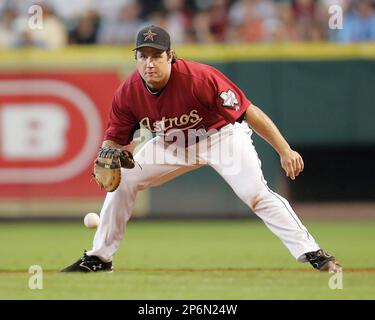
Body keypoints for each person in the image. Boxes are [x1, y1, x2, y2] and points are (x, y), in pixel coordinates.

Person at [62, 25, 341, 273]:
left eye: (156, 55)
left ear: (170, 56)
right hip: (171, 144)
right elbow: (114, 139)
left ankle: (312, 252)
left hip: (220, 138)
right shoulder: (128, 93)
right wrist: (108, 153)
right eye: (143, 56)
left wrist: (285, 150)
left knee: (255, 194)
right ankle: (100, 258)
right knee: (122, 182)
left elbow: (249, 111)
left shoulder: (199, 78)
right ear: (135, 59)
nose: (149, 63)